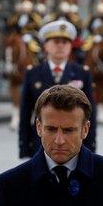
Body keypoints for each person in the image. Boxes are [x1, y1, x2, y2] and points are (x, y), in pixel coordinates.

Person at [18, 19, 96, 159]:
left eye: (65, 42)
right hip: (40, 144)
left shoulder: (81, 73)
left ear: (71, 46)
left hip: (74, 144)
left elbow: (91, 113)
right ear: (45, 46)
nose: (60, 46)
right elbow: (25, 112)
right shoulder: (33, 73)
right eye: (55, 42)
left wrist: (90, 146)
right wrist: (24, 147)